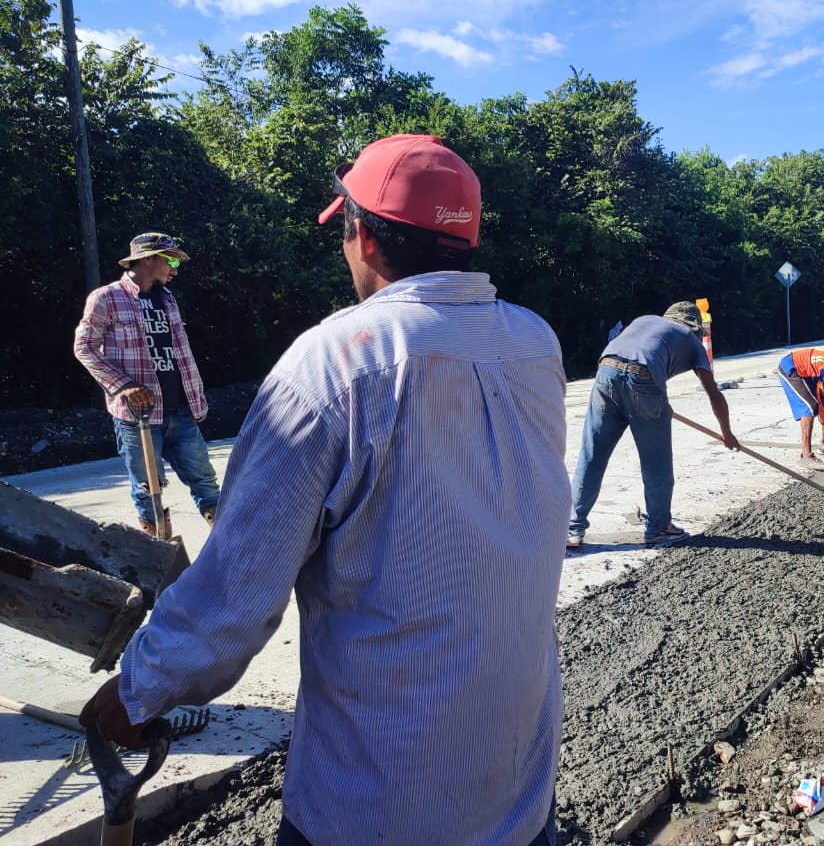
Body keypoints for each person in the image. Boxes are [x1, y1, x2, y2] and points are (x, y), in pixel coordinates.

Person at [80, 135, 569, 846]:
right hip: (519, 789)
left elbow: (234, 601)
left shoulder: (335, 364)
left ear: (362, 236)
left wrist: (137, 690)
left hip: (374, 806)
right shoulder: (534, 343)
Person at [73, 232, 220, 534]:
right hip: (138, 416)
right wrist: (122, 385)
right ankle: (161, 554)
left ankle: (230, 545)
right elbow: (84, 346)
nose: (175, 268)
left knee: (205, 481)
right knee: (147, 489)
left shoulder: (168, 299)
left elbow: (180, 352)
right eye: (170, 260)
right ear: (148, 259)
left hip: (180, 410)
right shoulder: (106, 298)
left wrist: (197, 400)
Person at [567, 302, 739, 550]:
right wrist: (727, 434)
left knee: (592, 456)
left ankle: (573, 529)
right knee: (656, 463)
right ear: (694, 327)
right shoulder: (691, 340)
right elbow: (714, 395)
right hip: (645, 380)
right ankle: (659, 529)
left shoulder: (644, 319)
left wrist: (655, 398)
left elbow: (630, 358)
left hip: (606, 373)